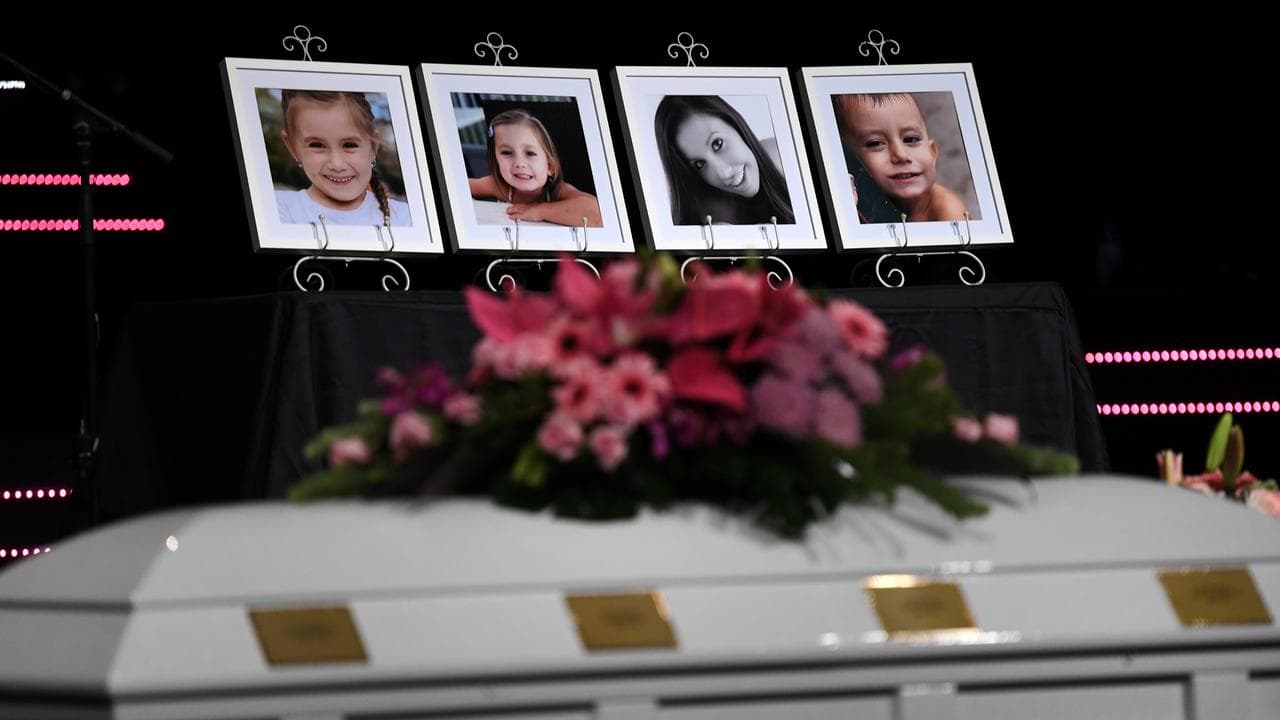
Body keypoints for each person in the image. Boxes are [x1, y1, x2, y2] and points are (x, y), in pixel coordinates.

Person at [275, 90, 411, 227]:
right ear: (293, 147)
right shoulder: (277, 210)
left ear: (373, 147)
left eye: (349, 145)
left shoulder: (405, 218)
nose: (337, 164)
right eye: (317, 145)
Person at [654, 95, 795, 226]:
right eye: (700, 164)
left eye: (718, 144)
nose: (724, 174)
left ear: (735, 125)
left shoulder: (784, 157)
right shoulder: (712, 218)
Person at [833, 93, 967, 222]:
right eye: (876, 143)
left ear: (932, 153)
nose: (901, 155)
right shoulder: (850, 201)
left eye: (911, 139)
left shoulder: (948, 213)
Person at [468, 109, 602, 227]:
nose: (519, 163)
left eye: (530, 153)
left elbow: (596, 212)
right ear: (496, 161)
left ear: (550, 166)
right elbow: (457, 188)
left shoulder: (557, 191)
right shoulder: (499, 186)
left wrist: (539, 211)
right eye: (507, 153)